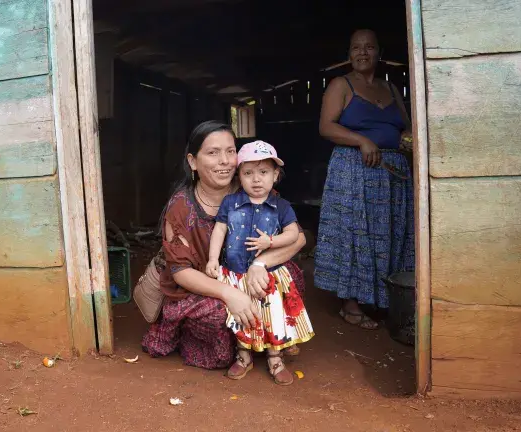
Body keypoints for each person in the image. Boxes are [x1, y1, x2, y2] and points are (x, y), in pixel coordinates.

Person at [141, 121, 306, 369]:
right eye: (213, 152)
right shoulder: (181, 207)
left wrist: (260, 264)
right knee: (219, 316)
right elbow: (180, 272)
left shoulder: (254, 185)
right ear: (193, 162)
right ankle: (215, 337)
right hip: (203, 285)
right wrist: (230, 294)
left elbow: (298, 238)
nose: (225, 161)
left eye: (230, 151)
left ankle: (261, 336)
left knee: (289, 276)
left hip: (247, 274)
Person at [315, 29, 415, 329]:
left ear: (378, 52)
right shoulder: (340, 85)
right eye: (356, 47)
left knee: (389, 233)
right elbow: (326, 127)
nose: (362, 52)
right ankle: (351, 303)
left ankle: (383, 297)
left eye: (369, 47)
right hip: (355, 171)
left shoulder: (392, 89)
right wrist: (361, 140)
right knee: (357, 233)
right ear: (349, 54)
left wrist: (407, 142)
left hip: (392, 175)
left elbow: (407, 129)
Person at [206, 141, 314, 385]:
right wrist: (213, 259)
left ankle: (275, 358)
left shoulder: (281, 206)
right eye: (248, 173)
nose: (256, 180)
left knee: (272, 314)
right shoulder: (230, 203)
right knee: (241, 316)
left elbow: (294, 235)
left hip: (270, 275)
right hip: (235, 273)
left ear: (275, 176)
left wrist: (271, 241)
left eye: (263, 172)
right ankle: (244, 355)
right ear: (239, 176)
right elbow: (220, 230)